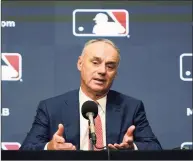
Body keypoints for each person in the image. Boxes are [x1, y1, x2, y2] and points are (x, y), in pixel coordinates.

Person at [20, 39, 162, 150]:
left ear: (116, 73)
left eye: (110, 66)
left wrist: (133, 148)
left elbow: (155, 148)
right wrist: (49, 147)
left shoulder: (132, 107)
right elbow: (26, 150)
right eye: (95, 62)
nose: (102, 71)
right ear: (80, 64)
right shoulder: (51, 108)